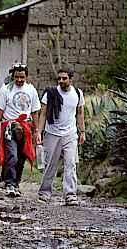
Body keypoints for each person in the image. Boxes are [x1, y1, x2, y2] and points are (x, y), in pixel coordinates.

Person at [36, 69, 85, 206]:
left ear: (71, 79)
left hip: (70, 134)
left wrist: (82, 132)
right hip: (52, 133)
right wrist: (39, 133)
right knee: (50, 164)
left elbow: (80, 113)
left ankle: (70, 194)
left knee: (70, 164)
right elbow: (43, 114)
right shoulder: (50, 94)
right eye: (59, 79)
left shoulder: (77, 94)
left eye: (64, 78)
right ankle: (45, 192)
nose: (61, 81)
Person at [0, 63, 41, 197]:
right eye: (17, 77)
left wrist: (36, 131)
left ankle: (15, 182)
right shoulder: (6, 89)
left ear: (26, 77)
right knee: (11, 155)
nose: (19, 80)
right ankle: (10, 184)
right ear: (13, 76)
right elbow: (0, 110)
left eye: (22, 77)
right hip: (9, 127)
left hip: (26, 127)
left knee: (21, 157)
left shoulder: (31, 90)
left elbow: (35, 112)